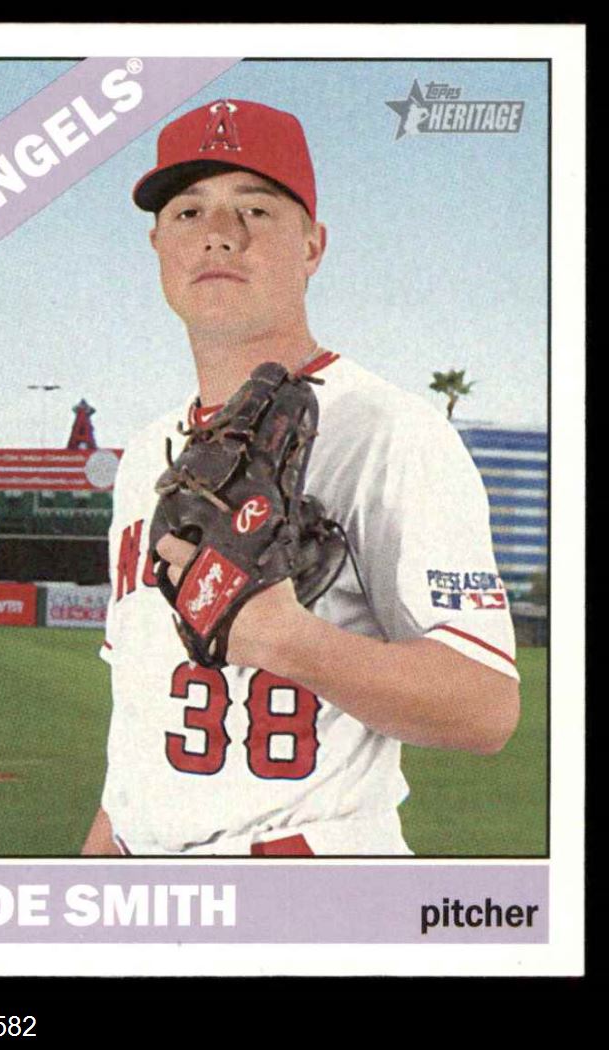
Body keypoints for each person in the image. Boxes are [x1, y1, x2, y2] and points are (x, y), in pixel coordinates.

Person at [82, 98, 520, 857]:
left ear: (313, 245)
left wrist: (288, 639)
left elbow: (485, 708)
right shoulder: (147, 454)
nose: (220, 232)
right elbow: (139, 734)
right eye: (188, 212)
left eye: (256, 208)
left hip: (306, 883)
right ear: (158, 245)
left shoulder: (390, 431)